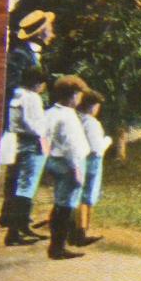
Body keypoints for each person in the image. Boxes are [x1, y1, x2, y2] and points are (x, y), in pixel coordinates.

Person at [0, 10, 55, 228]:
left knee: (21, 170)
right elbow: (10, 86)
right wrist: (28, 97)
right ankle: (13, 217)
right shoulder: (19, 56)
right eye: (50, 29)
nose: (53, 33)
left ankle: (13, 215)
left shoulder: (34, 54)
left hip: (29, 117)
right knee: (20, 168)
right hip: (21, 120)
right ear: (41, 33)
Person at [43, 75, 90, 260]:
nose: (79, 99)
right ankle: (58, 247)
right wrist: (76, 169)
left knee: (60, 203)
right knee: (65, 206)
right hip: (70, 163)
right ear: (72, 95)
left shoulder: (50, 113)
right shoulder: (68, 116)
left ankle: (58, 244)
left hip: (55, 160)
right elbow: (72, 146)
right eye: (78, 95)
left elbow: (44, 138)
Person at [3, 66, 50, 246]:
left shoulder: (17, 94)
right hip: (31, 142)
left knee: (20, 185)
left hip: (19, 142)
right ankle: (14, 232)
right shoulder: (31, 97)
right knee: (25, 188)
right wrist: (44, 132)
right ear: (37, 83)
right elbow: (33, 124)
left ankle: (22, 227)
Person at [72, 90, 112, 246]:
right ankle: (83, 230)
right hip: (93, 159)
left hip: (79, 158)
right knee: (89, 194)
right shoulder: (92, 123)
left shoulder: (77, 119)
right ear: (92, 106)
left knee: (80, 192)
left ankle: (77, 229)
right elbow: (97, 148)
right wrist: (107, 140)